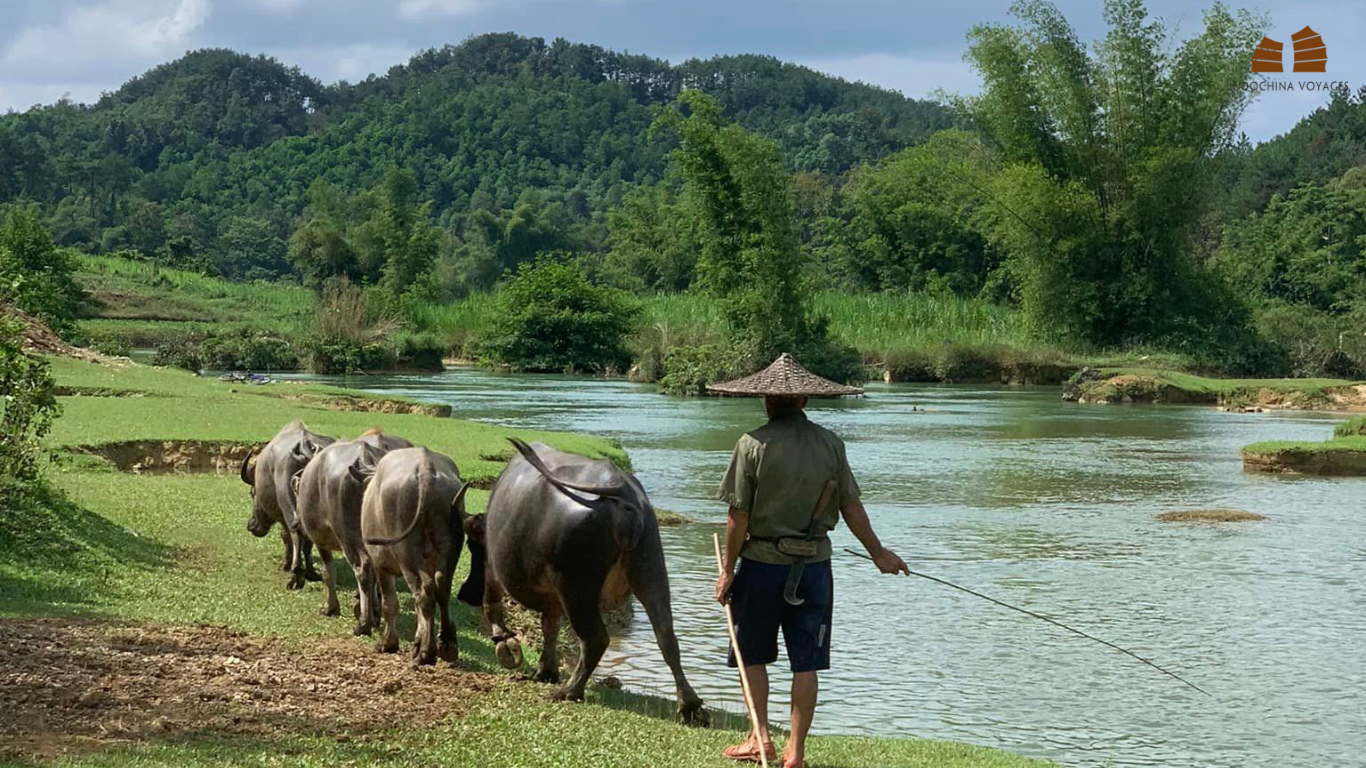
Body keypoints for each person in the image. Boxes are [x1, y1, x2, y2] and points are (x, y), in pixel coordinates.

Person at [710, 353, 908, 768]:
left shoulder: (751, 445)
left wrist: (728, 570)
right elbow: (851, 507)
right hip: (815, 569)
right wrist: (879, 553)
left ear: (766, 401)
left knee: (753, 655)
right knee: (807, 662)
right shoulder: (830, 444)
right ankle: (795, 752)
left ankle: (761, 738)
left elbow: (737, 517)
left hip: (762, 566)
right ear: (804, 401)